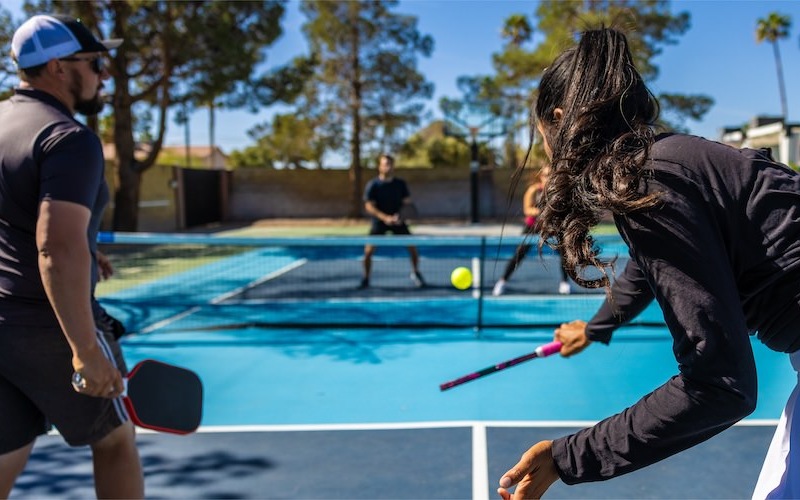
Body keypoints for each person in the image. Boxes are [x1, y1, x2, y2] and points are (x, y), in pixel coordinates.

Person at [497, 28, 800, 500]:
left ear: (560, 120)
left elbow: (719, 385)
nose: (547, 157)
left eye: (543, 139)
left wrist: (568, 457)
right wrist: (596, 327)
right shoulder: (672, 160)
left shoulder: (651, 178)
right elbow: (648, 268)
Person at [0, 14, 144, 498]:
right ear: (59, 67)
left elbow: (25, 219)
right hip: (46, 326)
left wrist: (86, 246)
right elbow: (55, 248)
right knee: (116, 440)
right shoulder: (70, 138)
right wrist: (85, 350)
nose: (105, 74)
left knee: (6, 452)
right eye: (96, 63)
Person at [492, 165, 570, 296]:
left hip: (551, 227)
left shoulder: (557, 191)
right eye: (545, 175)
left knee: (565, 254)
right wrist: (544, 211)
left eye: (551, 174)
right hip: (533, 227)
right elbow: (527, 209)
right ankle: (502, 281)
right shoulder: (533, 190)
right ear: (540, 177)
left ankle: (565, 283)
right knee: (519, 254)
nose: (548, 177)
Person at [360, 153, 425, 289]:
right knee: (368, 252)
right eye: (385, 164)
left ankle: (416, 273)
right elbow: (369, 206)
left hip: (398, 222)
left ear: (393, 166)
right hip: (379, 223)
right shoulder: (373, 185)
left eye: (390, 164)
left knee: (412, 248)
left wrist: (399, 217)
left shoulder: (400, 184)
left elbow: (407, 203)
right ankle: (366, 278)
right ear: (380, 166)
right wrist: (385, 218)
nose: (387, 167)